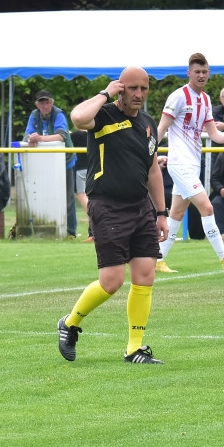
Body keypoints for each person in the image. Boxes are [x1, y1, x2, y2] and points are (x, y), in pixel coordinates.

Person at [56, 66, 169, 365]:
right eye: (132, 88)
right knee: (111, 282)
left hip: (141, 207)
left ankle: (134, 348)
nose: (139, 94)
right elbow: (78, 118)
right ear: (122, 88)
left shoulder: (147, 122)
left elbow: (153, 169)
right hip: (107, 206)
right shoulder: (103, 115)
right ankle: (70, 323)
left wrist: (161, 212)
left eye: (143, 89)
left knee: (145, 275)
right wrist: (106, 92)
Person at [154, 52, 224, 274]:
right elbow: (161, 128)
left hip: (193, 163)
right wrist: (150, 153)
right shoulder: (179, 96)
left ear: (208, 74)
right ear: (189, 73)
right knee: (207, 206)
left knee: (176, 214)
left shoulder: (206, 99)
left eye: (204, 72)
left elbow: (213, 134)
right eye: (197, 72)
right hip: (179, 164)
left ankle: (158, 260)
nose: (201, 76)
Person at [24, 89, 77, 237]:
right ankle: (49, 228)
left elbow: (61, 136)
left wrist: (39, 138)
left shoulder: (59, 114)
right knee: (45, 196)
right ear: (37, 104)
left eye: (47, 102)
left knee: (68, 198)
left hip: (65, 161)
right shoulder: (34, 116)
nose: (45, 105)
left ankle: (70, 232)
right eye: (42, 102)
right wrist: (30, 139)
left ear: (52, 103)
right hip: (44, 163)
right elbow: (27, 134)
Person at [70, 129, 91, 240]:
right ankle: (92, 232)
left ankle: (95, 217)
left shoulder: (76, 135)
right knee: (91, 197)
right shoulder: (92, 133)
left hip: (80, 170)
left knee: (81, 195)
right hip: (93, 169)